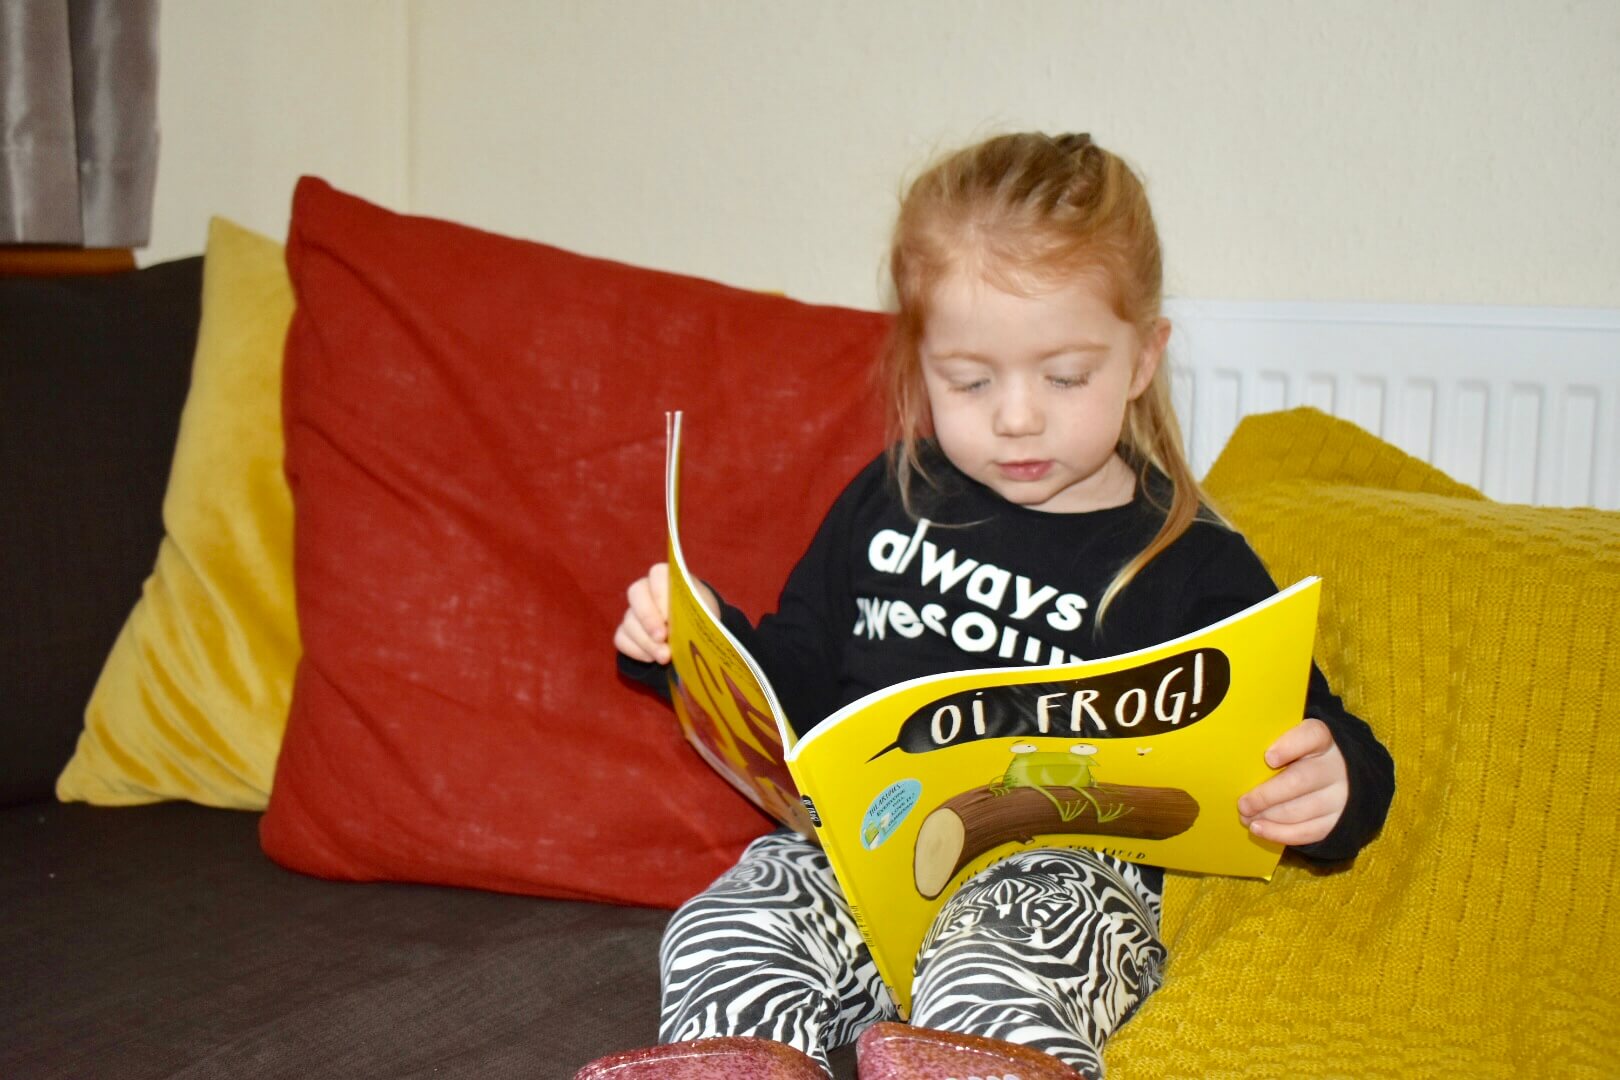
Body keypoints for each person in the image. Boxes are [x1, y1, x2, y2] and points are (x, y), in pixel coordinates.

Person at [604, 132, 1394, 1080]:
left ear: (1144, 357)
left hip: (1057, 887)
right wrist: (689, 641)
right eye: (970, 381)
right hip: (859, 864)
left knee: (998, 961)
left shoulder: (1186, 562)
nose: (1017, 416)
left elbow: (1313, 728)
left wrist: (1337, 780)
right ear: (919, 358)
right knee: (728, 921)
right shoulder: (884, 499)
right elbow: (797, 684)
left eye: (1065, 376)